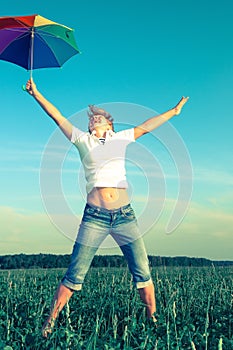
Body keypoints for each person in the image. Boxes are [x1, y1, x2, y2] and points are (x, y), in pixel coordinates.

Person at [26, 79, 189, 337]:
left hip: (125, 216)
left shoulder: (120, 139)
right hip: (95, 217)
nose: (93, 121)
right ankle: (50, 322)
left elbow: (147, 126)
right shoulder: (82, 140)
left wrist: (174, 111)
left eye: (98, 119)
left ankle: (154, 321)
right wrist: (36, 94)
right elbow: (56, 115)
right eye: (91, 120)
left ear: (109, 125)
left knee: (143, 271)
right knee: (75, 272)